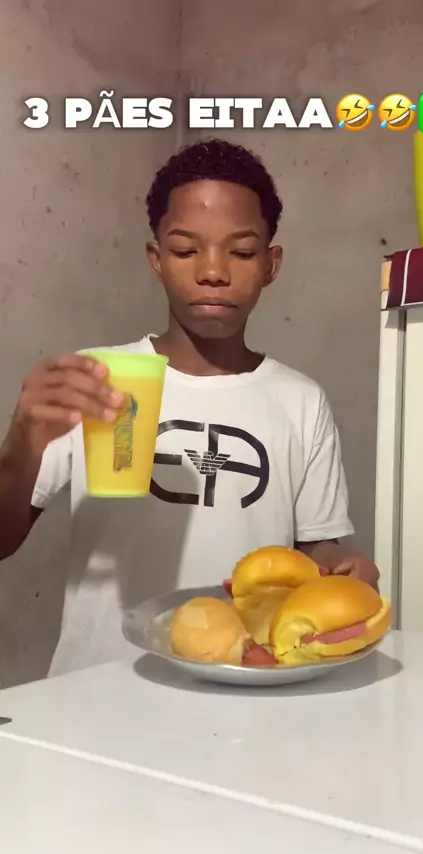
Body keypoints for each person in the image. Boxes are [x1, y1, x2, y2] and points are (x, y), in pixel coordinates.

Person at [0, 138, 379, 676]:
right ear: (156, 260)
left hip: (242, 689)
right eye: (185, 250)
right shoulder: (94, 379)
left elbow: (318, 553)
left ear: (271, 265)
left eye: (241, 252)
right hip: (95, 693)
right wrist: (22, 443)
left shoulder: (300, 401)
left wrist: (343, 573)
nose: (213, 272)